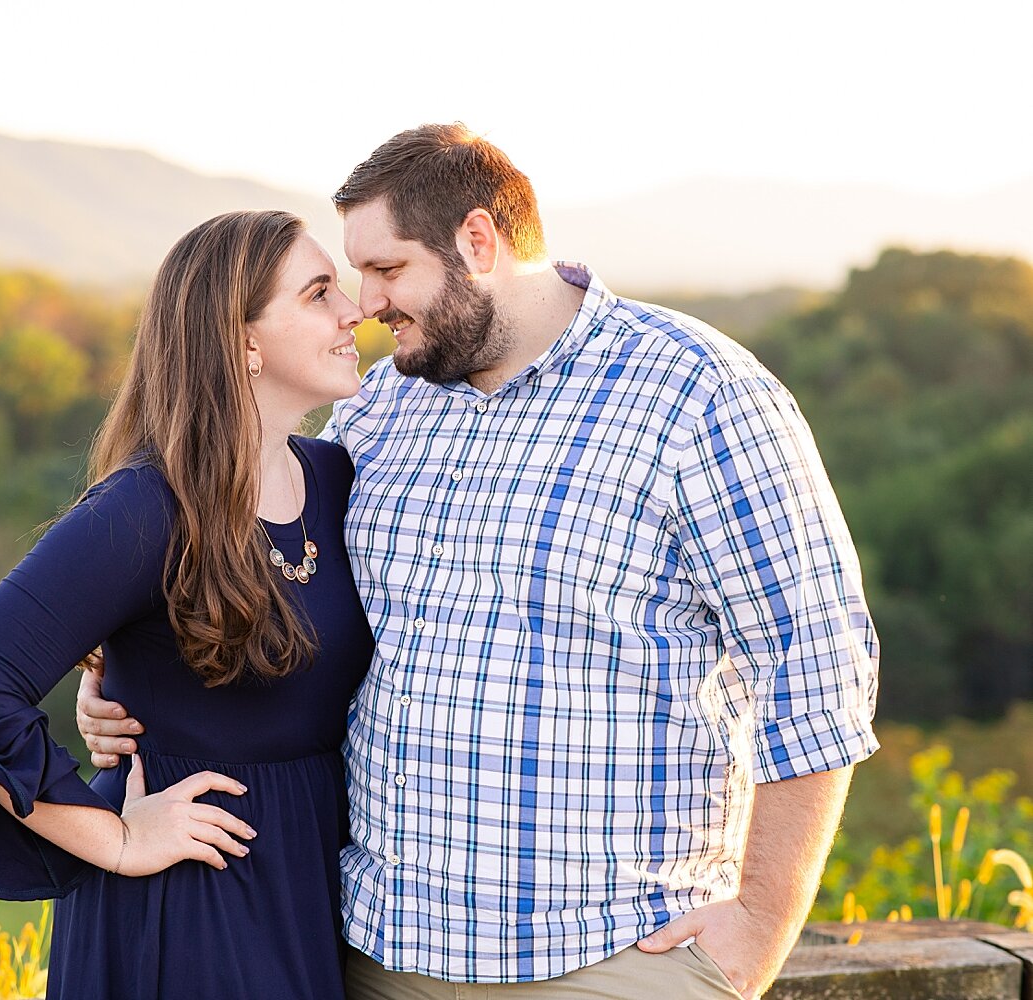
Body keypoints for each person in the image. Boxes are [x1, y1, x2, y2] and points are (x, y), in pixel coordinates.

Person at [78, 125, 880, 999]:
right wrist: (132, 682)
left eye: (387, 270)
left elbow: (817, 667)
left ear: (477, 241)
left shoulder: (698, 395)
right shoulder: (374, 411)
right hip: (377, 948)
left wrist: (756, 929)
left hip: (611, 956)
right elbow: (284, 603)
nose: (366, 303)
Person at [0, 209, 375, 1000]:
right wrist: (112, 840)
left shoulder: (339, 479)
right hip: (189, 898)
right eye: (319, 294)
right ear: (240, 339)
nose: (355, 310)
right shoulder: (147, 508)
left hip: (311, 884)